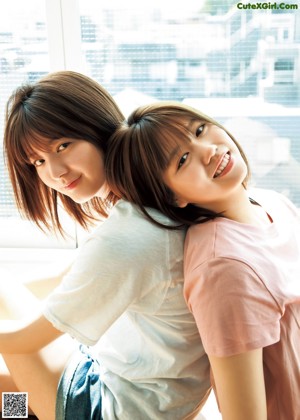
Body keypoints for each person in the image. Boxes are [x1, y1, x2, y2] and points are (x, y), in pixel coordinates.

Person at [2, 72, 211, 420]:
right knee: (9, 391)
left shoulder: (127, 237)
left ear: (98, 127)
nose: (53, 171)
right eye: (37, 161)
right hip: (143, 387)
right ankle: (25, 414)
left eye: (62, 145)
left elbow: (28, 339)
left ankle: (30, 412)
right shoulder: (143, 205)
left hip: (119, 408)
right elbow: (65, 278)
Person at [105, 101, 300, 420]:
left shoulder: (271, 202)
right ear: (171, 197)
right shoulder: (224, 266)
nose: (207, 150)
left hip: (106, 374)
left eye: (199, 130)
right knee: (13, 381)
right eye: (182, 160)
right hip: (99, 404)